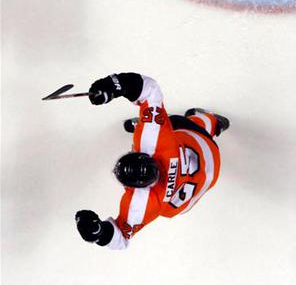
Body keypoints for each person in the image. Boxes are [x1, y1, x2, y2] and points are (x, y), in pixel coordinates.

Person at [75, 72, 229, 250]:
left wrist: (97, 233)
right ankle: (214, 123)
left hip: (195, 192)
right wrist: (114, 85)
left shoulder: (144, 202)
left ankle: (148, 121)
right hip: (206, 151)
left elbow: (120, 240)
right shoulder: (155, 141)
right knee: (176, 122)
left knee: (171, 124)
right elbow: (151, 90)